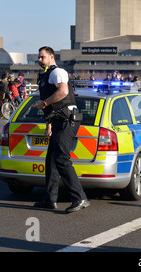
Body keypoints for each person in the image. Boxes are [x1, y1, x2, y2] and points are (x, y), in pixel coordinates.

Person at [33, 46, 89, 213]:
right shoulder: (43, 76)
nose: (39, 60)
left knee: (62, 159)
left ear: (52, 57)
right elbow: (50, 105)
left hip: (67, 120)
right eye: (39, 57)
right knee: (51, 159)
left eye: (42, 57)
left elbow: (63, 92)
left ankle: (80, 197)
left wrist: (43, 103)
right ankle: (50, 199)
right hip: (57, 121)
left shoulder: (57, 72)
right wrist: (48, 124)